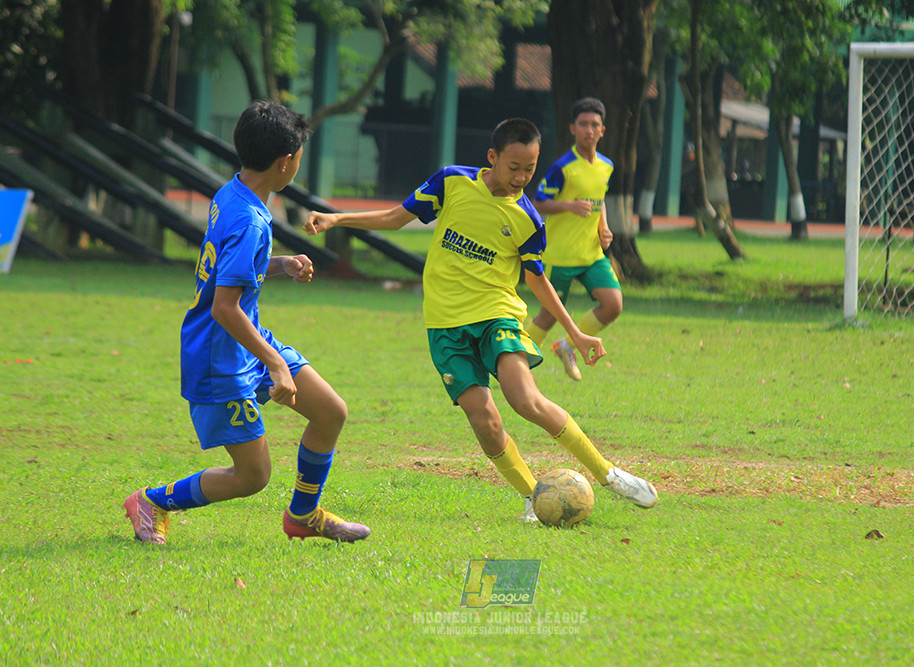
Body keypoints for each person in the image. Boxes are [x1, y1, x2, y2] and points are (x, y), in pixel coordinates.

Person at [303, 118, 657, 521]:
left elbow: (537, 279)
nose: (521, 177)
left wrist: (575, 332)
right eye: (514, 167)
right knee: (485, 421)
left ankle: (608, 474)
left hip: (496, 316)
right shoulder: (452, 182)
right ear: (492, 157)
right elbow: (396, 217)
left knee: (526, 401)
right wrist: (337, 218)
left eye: (530, 168)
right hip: (444, 326)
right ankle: (534, 497)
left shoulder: (528, 219)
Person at [123, 100, 370, 545]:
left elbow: (232, 270)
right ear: (285, 163)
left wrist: (281, 265)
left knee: (330, 412)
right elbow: (224, 307)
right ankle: (152, 501)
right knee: (252, 476)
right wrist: (275, 363)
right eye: (300, 157)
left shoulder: (233, 192)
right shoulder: (250, 219)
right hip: (219, 357)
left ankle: (303, 514)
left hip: (244, 345)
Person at [524, 97, 621, 382]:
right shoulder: (563, 167)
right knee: (548, 315)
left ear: (603, 130)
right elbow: (537, 202)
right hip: (561, 255)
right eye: (583, 124)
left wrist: (604, 228)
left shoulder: (606, 166)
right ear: (572, 129)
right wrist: (568, 205)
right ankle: (516, 364)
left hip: (591, 254)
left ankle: (567, 346)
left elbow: (598, 200)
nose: (589, 130)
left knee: (613, 304)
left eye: (594, 125)